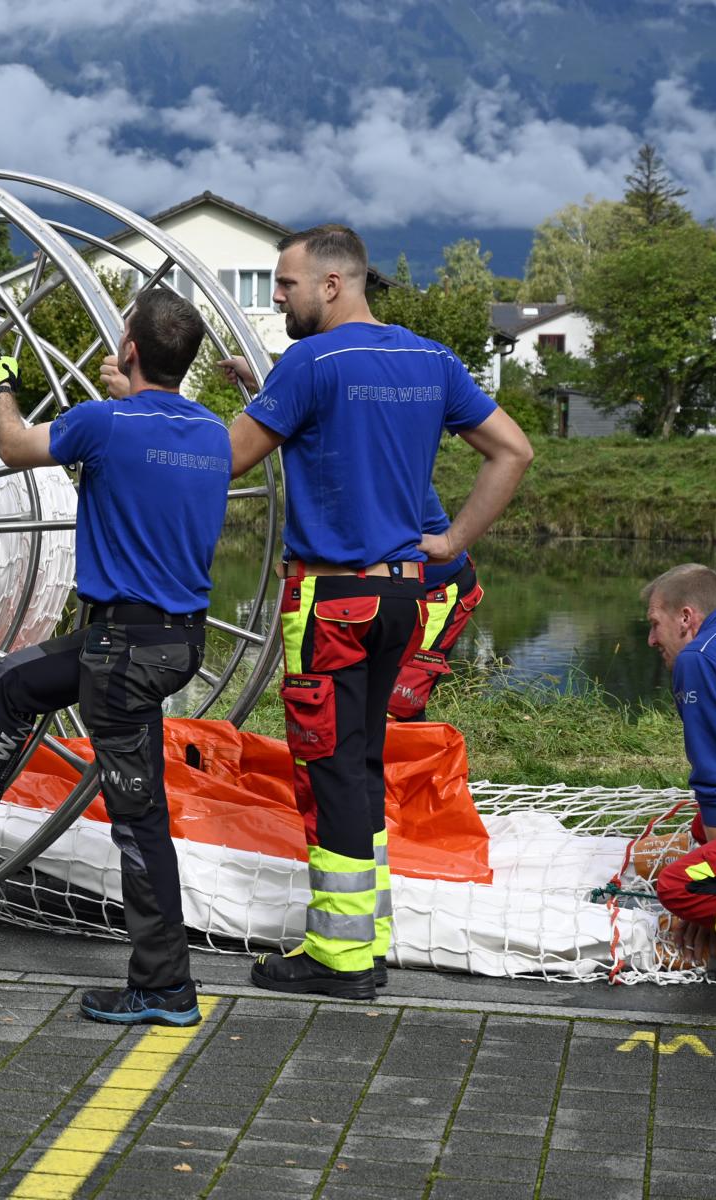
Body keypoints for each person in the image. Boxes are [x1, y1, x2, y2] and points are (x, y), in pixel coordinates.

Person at [0, 288, 229, 1026]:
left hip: (122, 651)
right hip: (172, 639)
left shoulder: (103, 424)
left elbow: (14, 446)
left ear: (132, 350)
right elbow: (151, 443)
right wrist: (127, 394)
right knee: (18, 682)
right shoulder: (209, 433)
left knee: (139, 820)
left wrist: (1, 386)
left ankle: (164, 985)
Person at [220, 224, 532, 998]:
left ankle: (338, 957)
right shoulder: (430, 361)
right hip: (401, 594)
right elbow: (513, 451)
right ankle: (370, 939)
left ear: (332, 284)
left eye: (286, 284)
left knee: (328, 771)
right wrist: (453, 537)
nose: (279, 297)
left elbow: (225, 459)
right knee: (359, 765)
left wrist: (141, 420)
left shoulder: (309, 363)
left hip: (330, 600)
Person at [641, 564, 716, 977]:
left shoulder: (699, 660)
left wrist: (713, 905)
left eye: (654, 624)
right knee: (704, 829)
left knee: (678, 885)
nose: (651, 640)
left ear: (686, 619)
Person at [387, 491, 485, 722]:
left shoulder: (392, 464)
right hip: (388, 589)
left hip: (439, 591)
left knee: (399, 702)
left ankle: (409, 753)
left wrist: (451, 543)